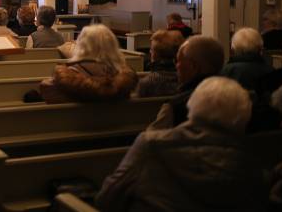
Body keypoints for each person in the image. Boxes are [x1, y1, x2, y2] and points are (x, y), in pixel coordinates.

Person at [96, 77, 267, 211]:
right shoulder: (254, 165)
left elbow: (108, 198)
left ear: (192, 105)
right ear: (243, 119)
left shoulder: (151, 145)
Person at [39, 24, 137, 103]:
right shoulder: (123, 84)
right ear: (113, 47)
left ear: (80, 45)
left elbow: (47, 90)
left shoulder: (65, 82)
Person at [147, 35, 224, 130]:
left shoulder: (175, 107)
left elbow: (150, 139)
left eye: (179, 61)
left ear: (193, 66)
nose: (176, 66)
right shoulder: (236, 98)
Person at [135, 30, 184, 98]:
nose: (150, 51)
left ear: (155, 54)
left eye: (151, 49)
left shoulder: (146, 83)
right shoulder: (185, 81)